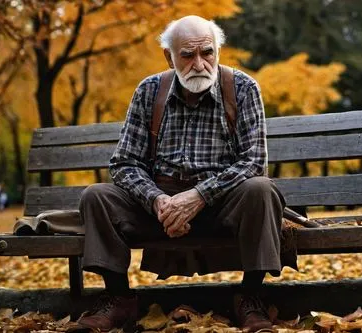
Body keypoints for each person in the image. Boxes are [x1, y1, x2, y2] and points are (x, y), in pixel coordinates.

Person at [77, 15, 286, 332]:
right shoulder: (149, 91)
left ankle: (251, 296)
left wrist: (199, 196)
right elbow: (124, 163)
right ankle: (118, 299)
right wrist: (158, 201)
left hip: (221, 205)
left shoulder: (242, 88)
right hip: (159, 209)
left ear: (218, 51)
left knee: (261, 189)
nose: (200, 64)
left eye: (207, 53)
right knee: (97, 196)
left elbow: (253, 161)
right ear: (169, 57)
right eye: (188, 55)